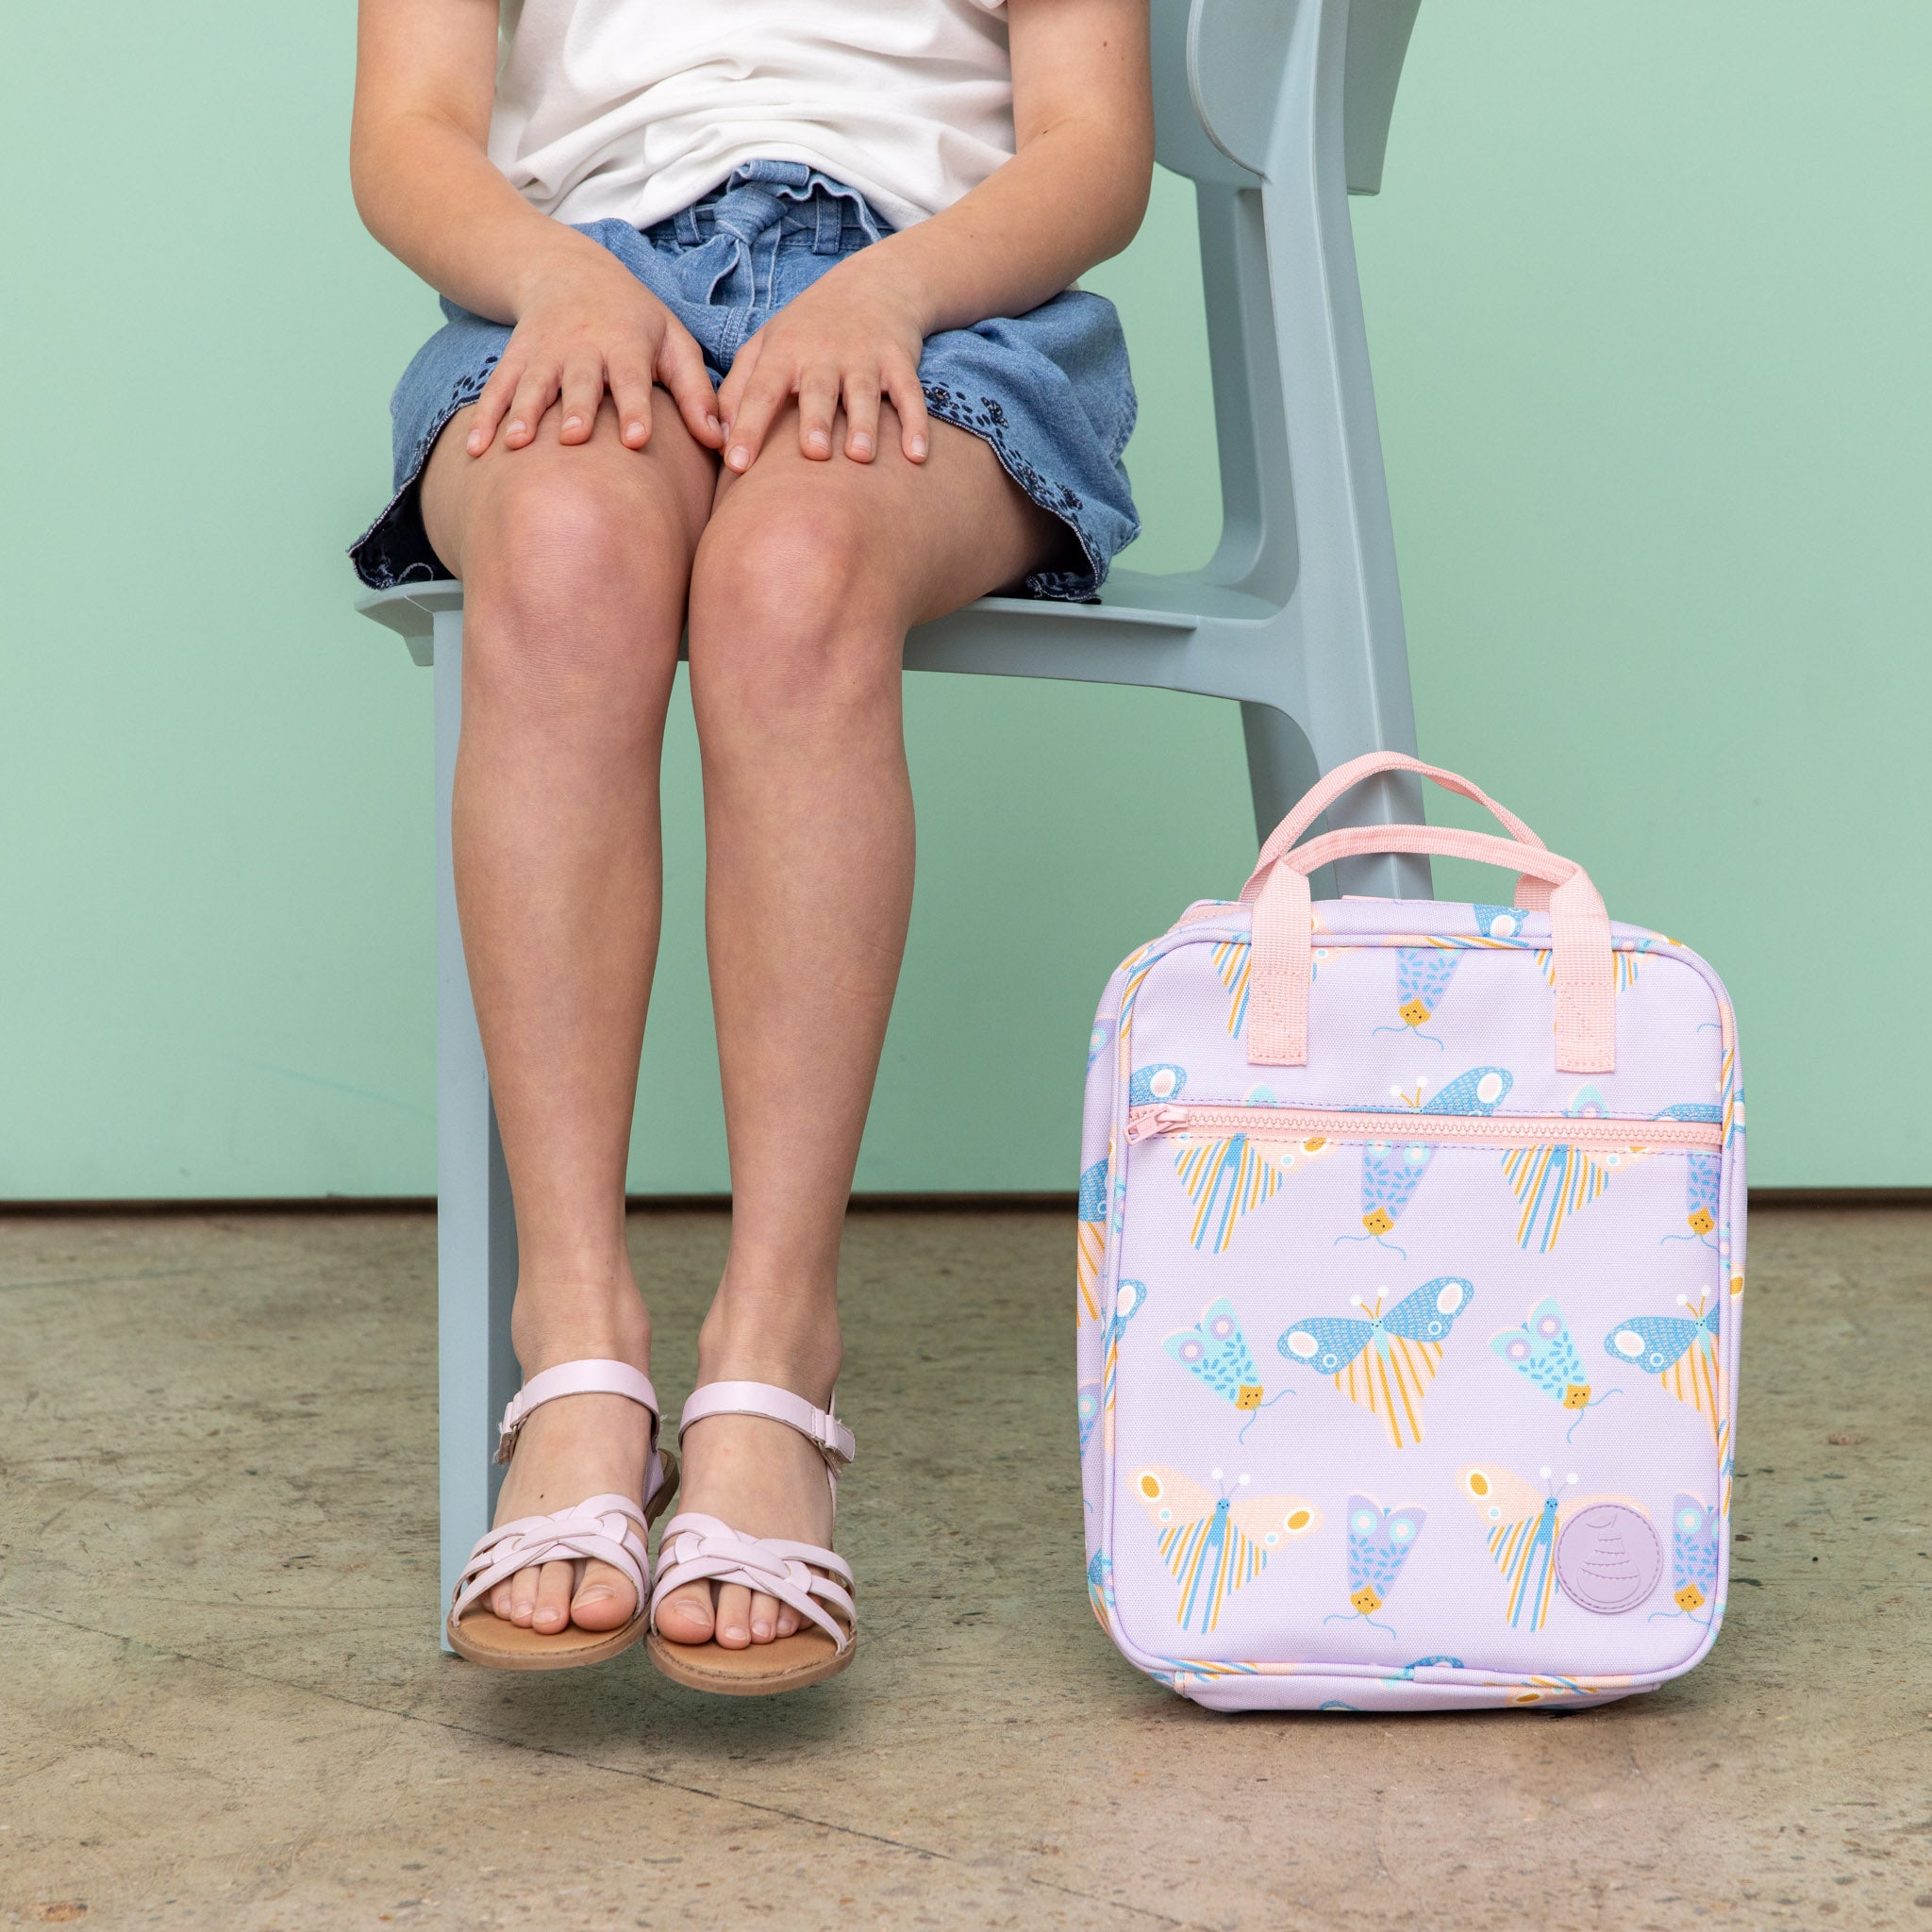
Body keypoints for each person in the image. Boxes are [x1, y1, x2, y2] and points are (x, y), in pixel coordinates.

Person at [348, 0, 1151, 1693]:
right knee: (563, 554)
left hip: (939, 303)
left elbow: (1093, 146)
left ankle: (778, 1348)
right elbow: (410, 125)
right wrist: (563, 279)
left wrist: (896, 287)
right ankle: (572, 1339)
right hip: (574, 282)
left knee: (790, 584)